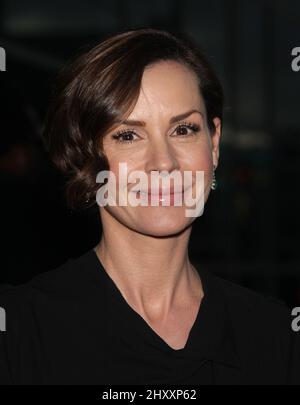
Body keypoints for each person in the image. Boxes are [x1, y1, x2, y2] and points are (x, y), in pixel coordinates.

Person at [0, 28, 299, 385]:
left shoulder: (275, 338)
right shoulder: (18, 333)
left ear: (214, 143)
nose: (164, 163)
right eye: (128, 135)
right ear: (86, 154)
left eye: (183, 130)